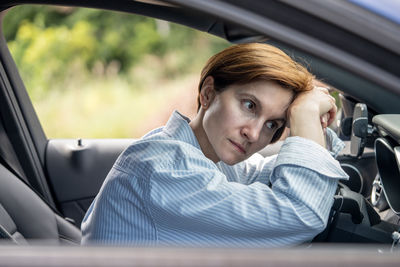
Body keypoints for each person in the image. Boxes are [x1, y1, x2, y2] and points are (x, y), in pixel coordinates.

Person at [81, 43, 348, 247]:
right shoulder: (165, 170)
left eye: (272, 124)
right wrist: (305, 116)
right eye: (249, 105)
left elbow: (263, 173)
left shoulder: (200, 154)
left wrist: (309, 125)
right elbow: (298, 215)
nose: (254, 134)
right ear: (208, 93)